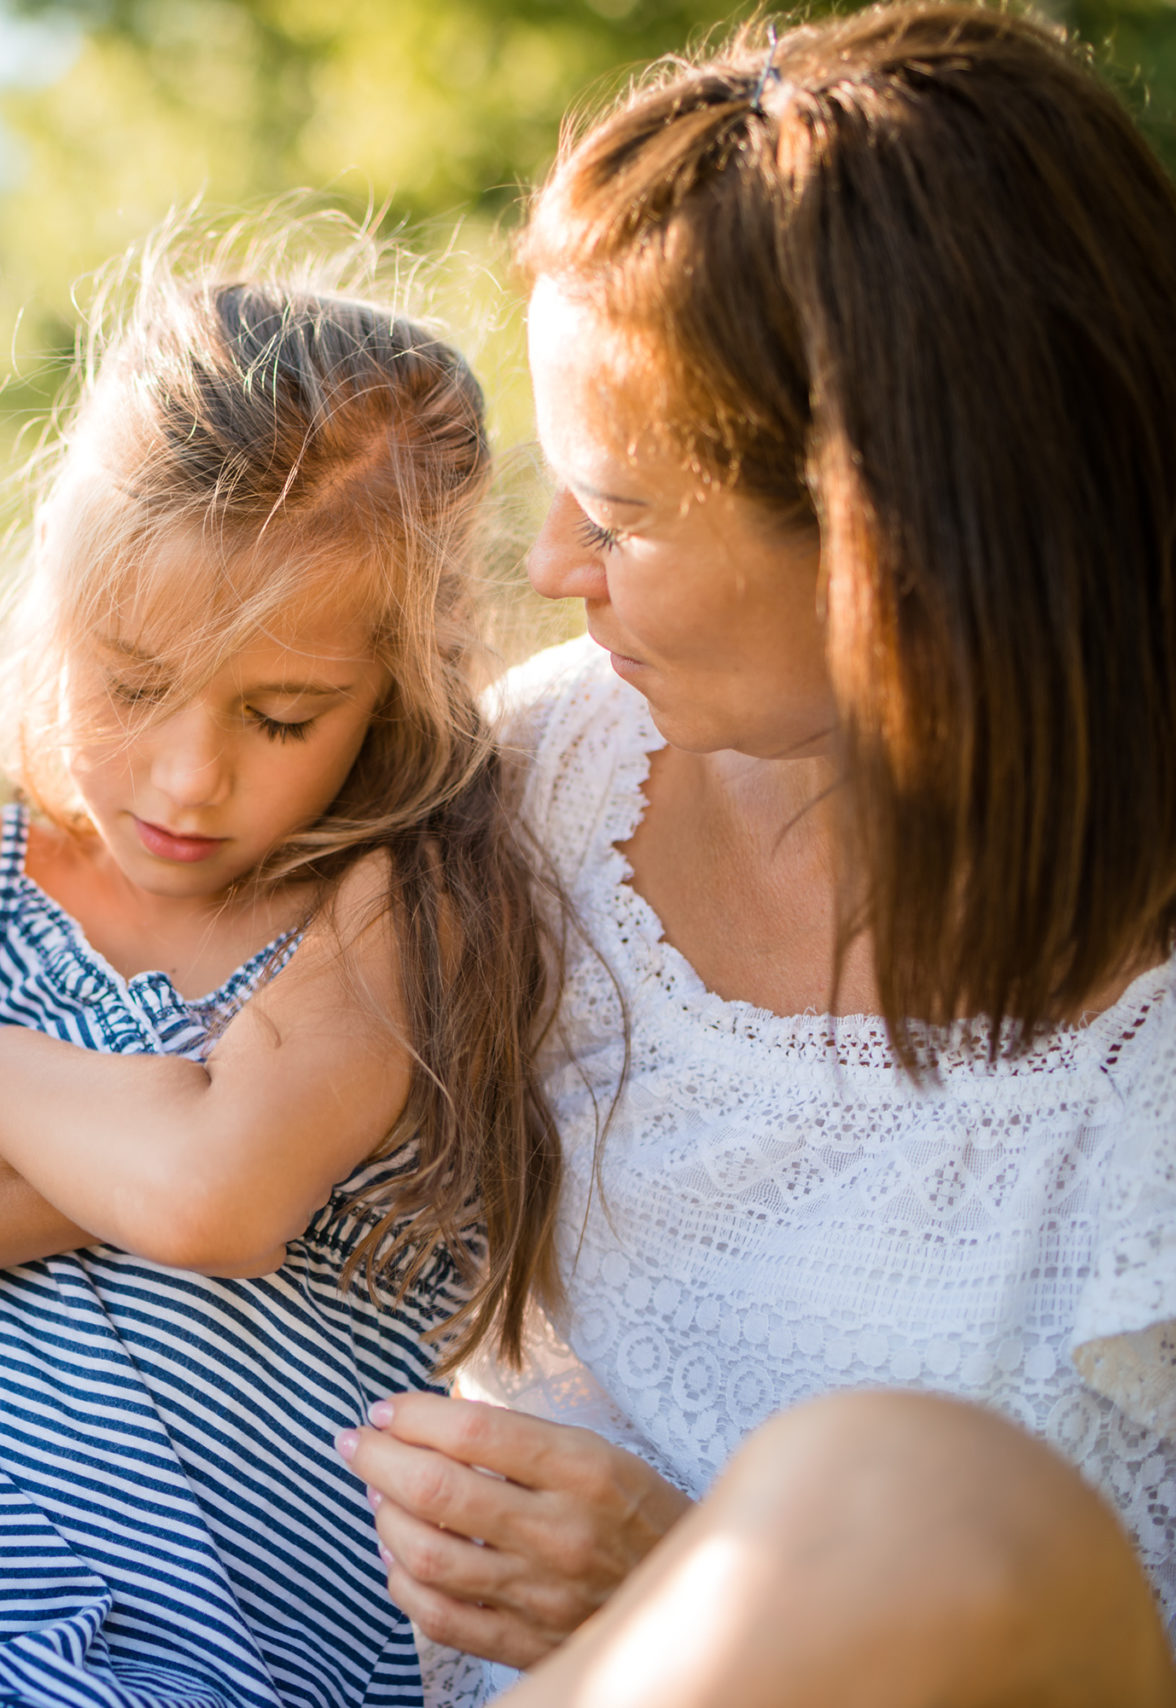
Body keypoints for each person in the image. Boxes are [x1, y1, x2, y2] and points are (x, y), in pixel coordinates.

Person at [324, 9, 1176, 1704]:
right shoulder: (551, 774)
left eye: (624, 517)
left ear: (899, 541)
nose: (554, 564)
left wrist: (689, 1578)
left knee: (906, 1501)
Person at [0, 262, 566, 1706]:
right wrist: (111, 1137)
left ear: (405, 678)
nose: (187, 776)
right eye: (132, 685)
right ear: (56, 615)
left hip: (216, 1669)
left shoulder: (394, 902)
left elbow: (220, 1198)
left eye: (281, 716)